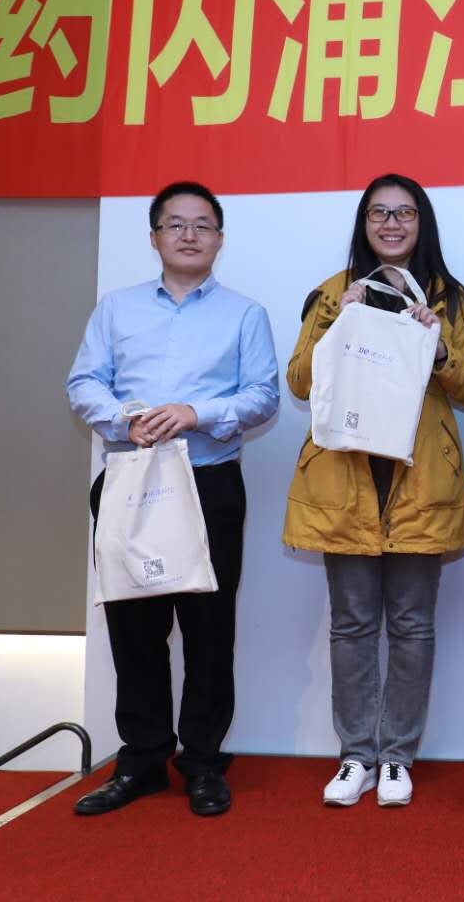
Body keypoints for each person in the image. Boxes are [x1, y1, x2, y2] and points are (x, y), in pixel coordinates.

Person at [67, 180, 279, 817]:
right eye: (175, 224)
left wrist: (195, 412)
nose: (189, 235)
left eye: (202, 225)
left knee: (210, 631)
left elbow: (263, 395)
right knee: (134, 629)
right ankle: (141, 760)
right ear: (155, 236)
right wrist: (122, 419)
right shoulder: (117, 308)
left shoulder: (244, 314)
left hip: (208, 482)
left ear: (219, 238)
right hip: (129, 481)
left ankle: (204, 763)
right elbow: (83, 382)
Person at [284, 174, 464, 809]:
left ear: (421, 223)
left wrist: (437, 348)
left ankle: (397, 756)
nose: (392, 224)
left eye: (404, 213)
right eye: (379, 213)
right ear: (364, 223)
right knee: (351, 625)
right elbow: (298, 381)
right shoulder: (332, 292)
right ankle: (356, 755)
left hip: (419, 480)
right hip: (346, 480)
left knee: (411, 625)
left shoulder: (450, 298)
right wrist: (337, 326)